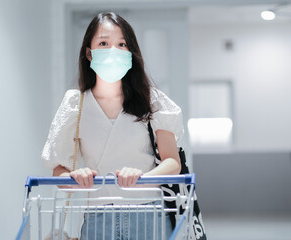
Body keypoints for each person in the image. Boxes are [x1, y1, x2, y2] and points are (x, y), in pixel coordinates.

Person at [41, 12, 184, 239]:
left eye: (122, 44)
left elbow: (172, 162)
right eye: (104, 43)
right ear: (89, 53)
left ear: (131, 53)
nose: (113, 51)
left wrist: (142, 179)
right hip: (98, 216)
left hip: (148, 213)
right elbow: (58, 169)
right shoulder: (74, 105)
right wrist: (76, 177)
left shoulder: (153, 101)